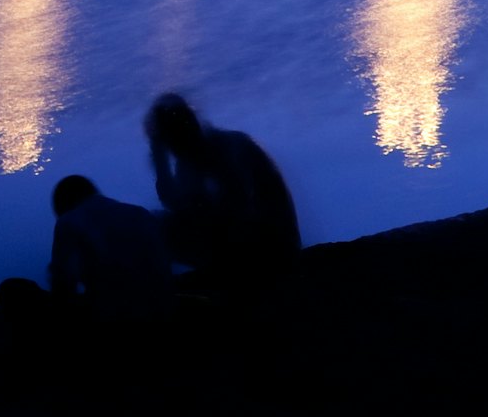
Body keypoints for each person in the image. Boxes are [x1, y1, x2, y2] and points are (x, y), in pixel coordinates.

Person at [145, 92, 300, 291]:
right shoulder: (190, 162)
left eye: (167, 139)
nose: (170, 147)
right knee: (154, 226)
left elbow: (236, 209)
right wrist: (160, 160)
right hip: (247, 242)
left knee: (159, 229)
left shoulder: (227, 147)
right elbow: (176, 203)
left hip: (268, 247)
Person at [47, 173, 175, 321]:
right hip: (164, 312)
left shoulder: (68, 222)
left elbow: (63, 286)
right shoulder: (139, 213)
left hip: (113, 319)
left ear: (63, 205)